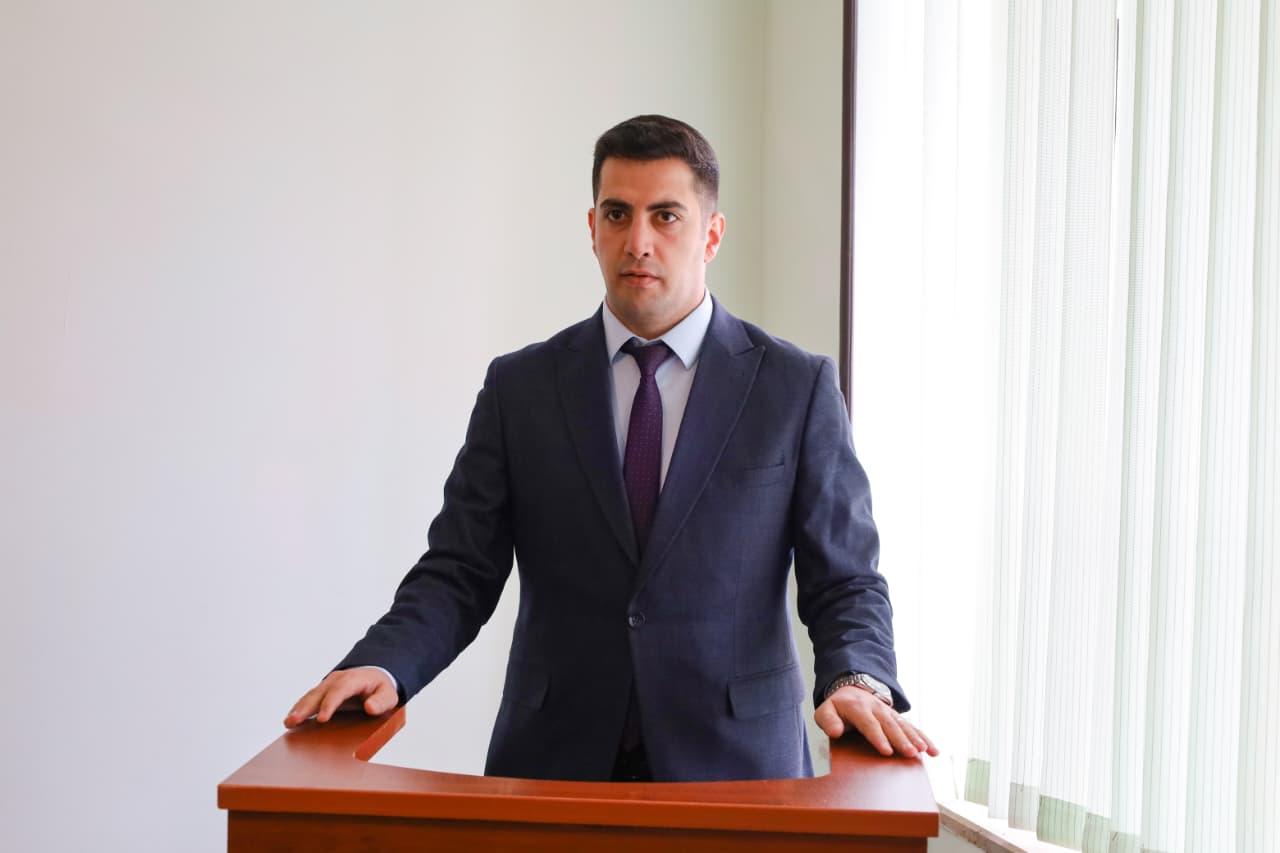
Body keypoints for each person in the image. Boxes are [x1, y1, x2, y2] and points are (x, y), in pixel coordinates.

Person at [284, 114, 936, 782]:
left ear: (712, 234)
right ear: (592, 228)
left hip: (737, 769)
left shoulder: (794, 387)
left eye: (666, 216)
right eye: (618, 215)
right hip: (555, 762)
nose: (638, 242)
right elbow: (460, 568)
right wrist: (385, 661)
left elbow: (845, 578)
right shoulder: (521, 387)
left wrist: (858, 678)